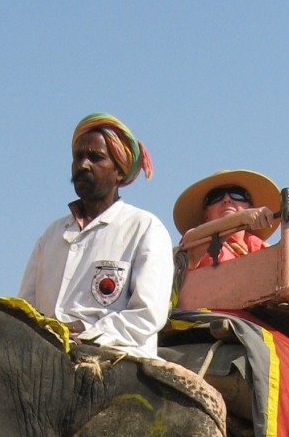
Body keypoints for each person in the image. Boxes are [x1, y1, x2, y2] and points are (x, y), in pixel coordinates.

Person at [19, 114, 174, 358]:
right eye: (78, 157)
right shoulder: (51, 235)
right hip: (48, 361)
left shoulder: (145, 228)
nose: (83, 165)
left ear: (119, 172)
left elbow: (146, 315)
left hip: (118, 363)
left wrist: (84, 336)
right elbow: (25, 311)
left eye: (95, 157)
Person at [172, 170, 281, 269]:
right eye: (215, 196)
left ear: (250, 207)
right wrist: (241, 217)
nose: (227, 199)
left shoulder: (264, 250)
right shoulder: (196, 240)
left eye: (237, 194)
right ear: (206, 215)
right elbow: (189, 243)